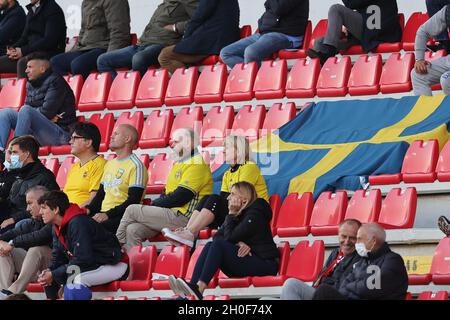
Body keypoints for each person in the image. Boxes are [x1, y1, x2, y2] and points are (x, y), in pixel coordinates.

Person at [168, 182, 279, 300]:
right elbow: (218, 237)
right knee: (210, 244)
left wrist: (231, 214)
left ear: (244, 199)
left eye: (232, 194)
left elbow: (229, 237)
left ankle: (199, 289)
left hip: (265, 264)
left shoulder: (257, 208)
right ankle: (192, 290)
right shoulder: (238, 213)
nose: (228, 198)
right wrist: (238, 242)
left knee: (218, 245)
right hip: (247, 260)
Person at [163, 135, 268, 248]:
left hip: (251, 213)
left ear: (239, 150)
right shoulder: (228, 173)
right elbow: (225, 197)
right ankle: (188, 231)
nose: (223, 151)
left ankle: (190, 233)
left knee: (214, 199)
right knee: (207, 198)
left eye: (227, 148)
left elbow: (240, 196)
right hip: (237, 210)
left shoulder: (249, 167)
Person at [116, 128, 212, 248]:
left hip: (184, 218)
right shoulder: (180, 162)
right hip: (170, 214)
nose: (172, 145)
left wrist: (153, 205)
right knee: (132, 229)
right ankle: (134, 265)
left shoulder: (197, 164)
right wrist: (155, 206)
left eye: (176, 142)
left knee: (132, 209)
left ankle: (116, 244)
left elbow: (181, 197)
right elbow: (167, 192)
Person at [37, 190, 129, 300]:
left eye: (43, 208)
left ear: (56, 209)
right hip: (94, 265)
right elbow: (58, 257)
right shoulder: (56, 226)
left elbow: (83, 259)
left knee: (73, 281)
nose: (40, 212)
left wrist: (54, 273)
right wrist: (50, 272)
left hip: (114, 264)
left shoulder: (78, 222)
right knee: (50, 280)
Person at [97, 0, 199, 79]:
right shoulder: (164, 3)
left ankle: (141, 92)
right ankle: (120, 91)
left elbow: (201, 20)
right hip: (143, 44)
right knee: (103, 60)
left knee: (138, 59)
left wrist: (176, 27)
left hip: (162, 44)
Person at [0, 52, 77, 153]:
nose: (26, 71)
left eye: (30, 67)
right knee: (6, 113)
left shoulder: (56, 81)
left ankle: (14, 151)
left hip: (60, 134)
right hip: (39, 131)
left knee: (26, 110)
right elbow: (40, 113)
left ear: (42, 69)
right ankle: (0, 150)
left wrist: (38, 116)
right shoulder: (30, 84)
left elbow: (46, 112)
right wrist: (42, 117)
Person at [312, 223, 408, 300]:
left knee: (324, 291)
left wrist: (352, 286)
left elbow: (370, 288)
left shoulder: (392, 260)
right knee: (324, 290)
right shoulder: (363, 261)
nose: (356, 243)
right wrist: (357, 286)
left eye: (359, 239)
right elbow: (343, 287)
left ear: (373, 241)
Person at [85, 124, 148, 234]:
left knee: (87, 231)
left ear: (127, 139)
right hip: (104, 214)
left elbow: (133, 201)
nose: (111, 136)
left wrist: (107, 215)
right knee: (72, 224)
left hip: (123, 216)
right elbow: (100, 195)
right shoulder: (110, 164)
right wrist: (88, 209)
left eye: (116, 134)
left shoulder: (136, 165)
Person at [280, 219, 361, 300]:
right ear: (338, 235)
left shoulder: (360, 258)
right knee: (291, 284)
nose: (347, 242)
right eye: (343, 236)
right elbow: (321, 277)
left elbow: (343, 287)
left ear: (359, 239)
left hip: (335, 295)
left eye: (352, 238)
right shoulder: (336, 252)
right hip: (320, 293)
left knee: (322, 290)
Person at [50, 0, 131, 80]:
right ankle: (66, 92)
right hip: (86, 48)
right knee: (55, 62)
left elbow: (119, 32)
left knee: (78, 64)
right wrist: (74, 50)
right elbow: (83, 30)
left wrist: (108, 57)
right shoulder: (86, 2)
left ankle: (91, 91)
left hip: (104, 47)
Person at [307, 0, 402, 65]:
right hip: (368, 31)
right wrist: (348, 29)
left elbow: (351, 3)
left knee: (335, 9)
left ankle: (329, 52)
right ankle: (324, 80)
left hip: (380, 32)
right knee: (320, 42)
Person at [220, 0, 309, 69]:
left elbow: (279, 8)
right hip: (265, 33)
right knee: (226, 53)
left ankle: (254, 82)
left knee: (251, 52)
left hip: (286, 35)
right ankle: (256, 76)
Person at [158, 0, 240, 74]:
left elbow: (199, 16)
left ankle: (192, 82)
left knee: (165, 55)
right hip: (224, 39)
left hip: (213, 42)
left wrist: (186, 37)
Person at [0, 185, 52, 299]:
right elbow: (12, 233)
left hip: (52, 269)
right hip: (34, 269)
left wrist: (12, 243)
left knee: (37, 249)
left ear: (44, 202)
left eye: (30, 203)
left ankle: (13, 291)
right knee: (3, 249)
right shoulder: (34, 221)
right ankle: (4, 292)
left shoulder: (54, 220)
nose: (27, 209)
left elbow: (38, 237)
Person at [0, 136, 59, 232]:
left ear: (27, 154)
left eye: (14, 152)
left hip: (27, 223)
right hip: (10, 219)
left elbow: (45, 209)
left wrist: (14, 219)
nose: (10, 157)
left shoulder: (44, 177)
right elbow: (11, 202)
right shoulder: (18, 174)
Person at [0, 0, 66, 78]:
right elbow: (24, 37)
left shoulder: (53, 9)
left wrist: (23, 51)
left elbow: (49, 40)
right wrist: (12, 48)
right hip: (31, 51)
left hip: (48, 53)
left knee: (23, 63)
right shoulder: (32, 10)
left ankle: (27, 90)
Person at [63, 122, 106, 208]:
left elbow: (94, 199)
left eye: (74, 138)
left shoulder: (100, 165)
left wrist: (70, 214)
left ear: (88, 142)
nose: (70, 142)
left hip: (81, 216)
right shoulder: (75, 166)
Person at [411, 5, 450, 96]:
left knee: (446, 79)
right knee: (418, 75)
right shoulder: (448, 11)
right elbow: (423, 31)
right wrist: (419, 59)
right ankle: (425, 110)